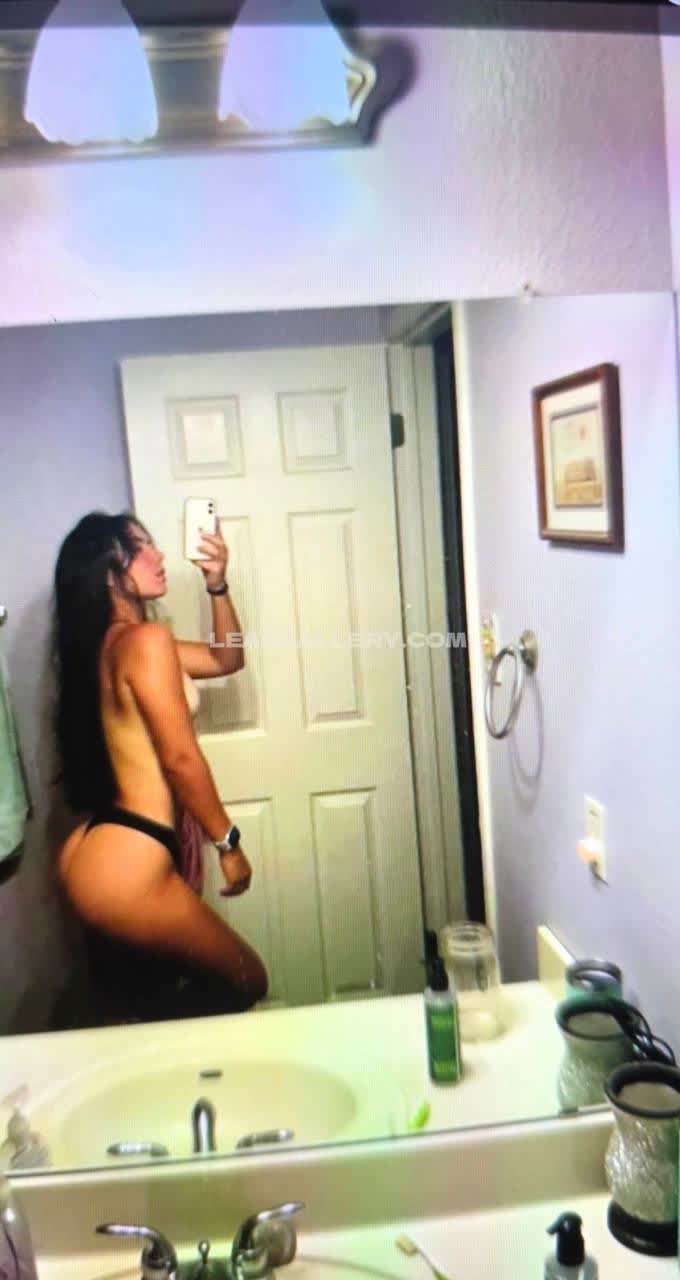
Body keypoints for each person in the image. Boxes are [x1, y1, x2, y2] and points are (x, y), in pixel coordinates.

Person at [53, 510, 268, 1023]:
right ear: (108, 573)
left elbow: (226, 658)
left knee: (142, 1004)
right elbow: (179, 757)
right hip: (130, 856)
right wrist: (228, 843)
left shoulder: (118, 645)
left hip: (106, 848)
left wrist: (217, 585)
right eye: (138, 548)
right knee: (247, 979)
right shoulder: (143, 643)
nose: (159, 555)